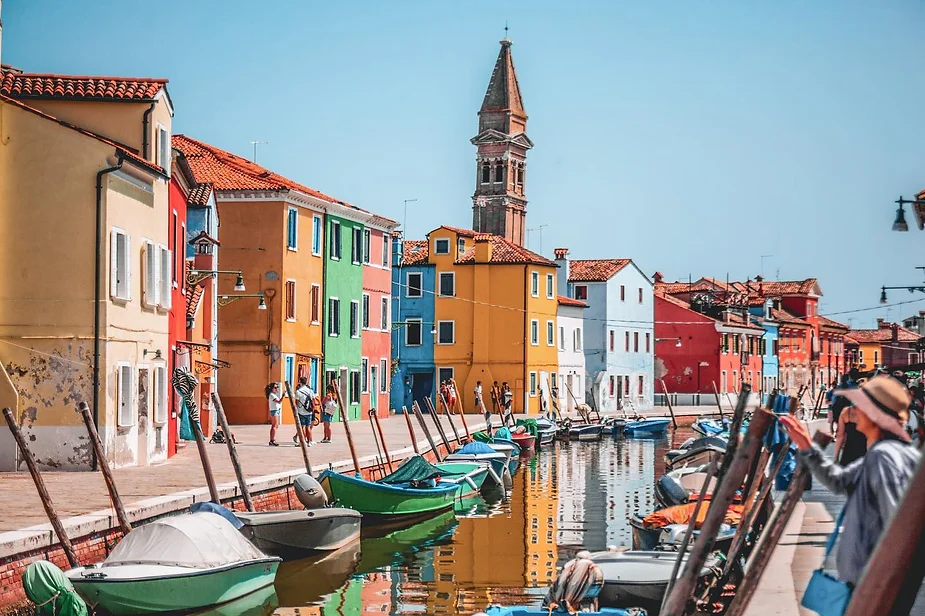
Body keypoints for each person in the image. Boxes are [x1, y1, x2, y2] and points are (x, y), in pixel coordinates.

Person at [780, 375, 921, 587]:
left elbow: (896, 524)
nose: (856, 411)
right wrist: (807, 446)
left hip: (871, 581)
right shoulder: (884, 453)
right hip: (866, 578)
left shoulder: (883, 458)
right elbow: (838, 481)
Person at [293, 377, 315, 447]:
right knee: (308, 427)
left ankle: (303, 441)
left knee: (302, 427)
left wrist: (296, 410)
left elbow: (296, 402)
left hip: (301, 411)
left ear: (300, 382)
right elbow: (313, 401)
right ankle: (309, 442)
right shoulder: (310, 391)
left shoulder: (298, 391)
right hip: (309, 411)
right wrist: (313, 409)